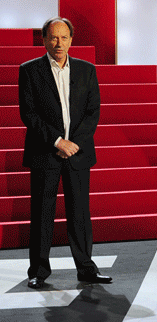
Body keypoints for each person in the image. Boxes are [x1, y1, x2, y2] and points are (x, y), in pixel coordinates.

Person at [18, 17, 111, 289]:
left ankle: (86, 268)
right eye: (53, 37)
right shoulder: (30, 71)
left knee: (80, 213)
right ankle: (38, 271)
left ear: (72, 40)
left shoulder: (87, 70)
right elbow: (29, 114)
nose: (59, 43)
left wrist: (74, 144)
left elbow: (93, 111)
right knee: (42, 212)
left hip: (78, 154)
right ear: (44, 40)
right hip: (45, 153)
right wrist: (58, 141)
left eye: (64, 37)